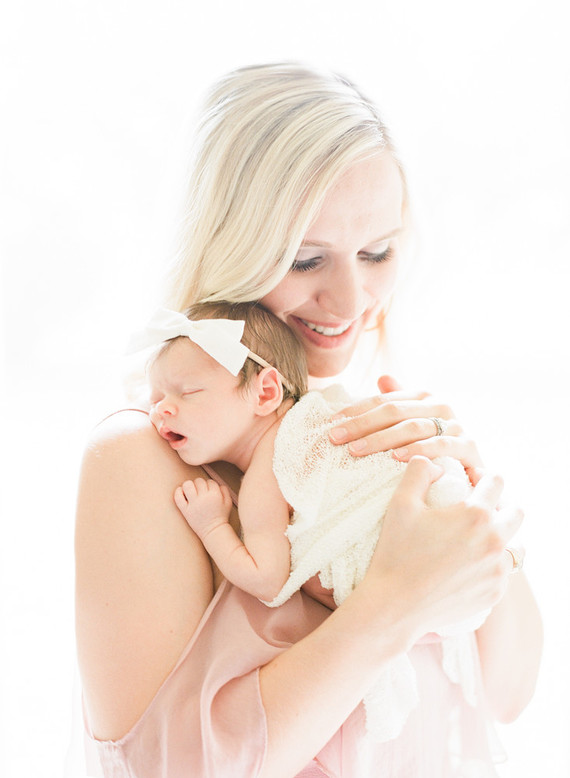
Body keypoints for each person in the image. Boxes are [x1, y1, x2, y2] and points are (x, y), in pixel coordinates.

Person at [75, 63, 542, 778]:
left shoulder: (365, 436)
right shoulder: (144, 455)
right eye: (305, 259)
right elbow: (166, 769)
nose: (351, 297)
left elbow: (507, 695)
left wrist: (466, 510)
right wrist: (391, 601)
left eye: (378, 252)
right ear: (232, 246)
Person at [136, 300, 495, 744]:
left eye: (187, 393)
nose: (160, 412)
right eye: (154, 399)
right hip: (459, 544)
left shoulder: (269, 468)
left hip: (423, 563)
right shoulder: (316, 419)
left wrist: (212, 526)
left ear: (266, 393)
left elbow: (267, 579)